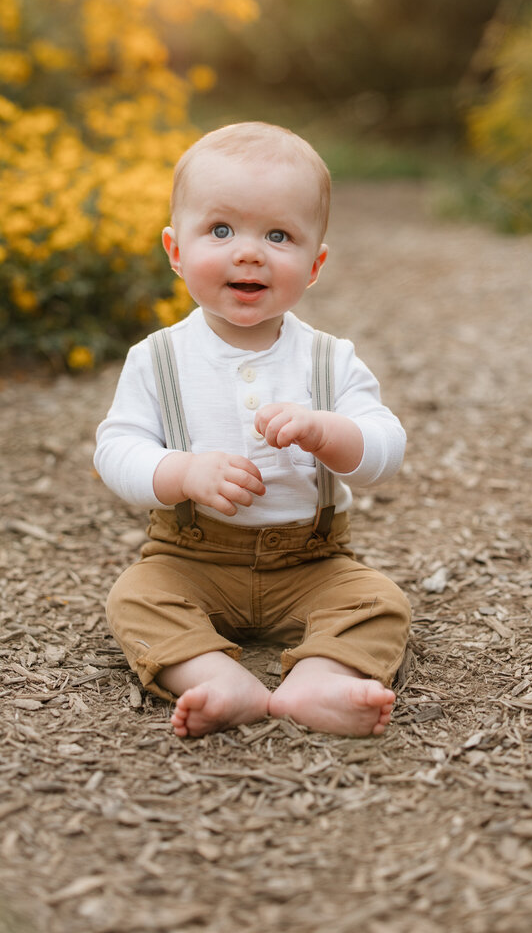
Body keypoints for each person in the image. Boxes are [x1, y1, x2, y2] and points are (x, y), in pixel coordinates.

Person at [95, 122, 410, 738]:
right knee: (135, 597)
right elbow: (117, 449)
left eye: (278, 235)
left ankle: (319, 678)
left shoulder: (329, 359)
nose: (248, 252)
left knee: (379, 602)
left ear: (315, 264)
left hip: (313, 561)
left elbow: (384, 446)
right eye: (220, 230)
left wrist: (329, 432)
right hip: (190, 556)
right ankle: (213, 675)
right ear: (175, 250)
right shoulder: (158, 358)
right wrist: (182, 471)